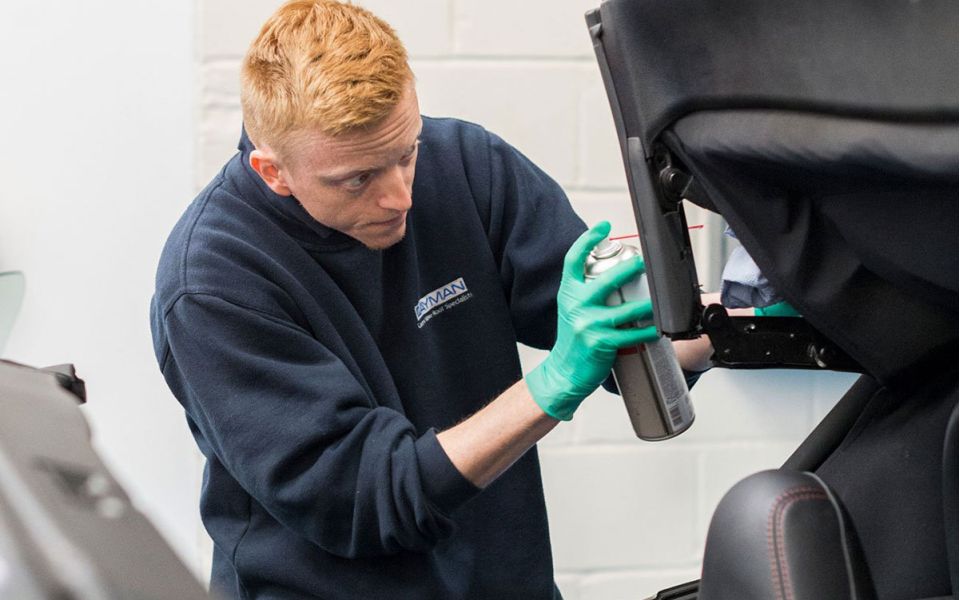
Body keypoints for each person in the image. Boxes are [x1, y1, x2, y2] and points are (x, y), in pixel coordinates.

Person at [150, 1, 669, 598]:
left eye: (407, 153)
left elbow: (624, 338)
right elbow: (366, 499)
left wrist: (731, 319)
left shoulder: (468, 164)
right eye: (358, 179)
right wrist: (551, 386)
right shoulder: (212, 283)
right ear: (274, 172)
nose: (400, 197)